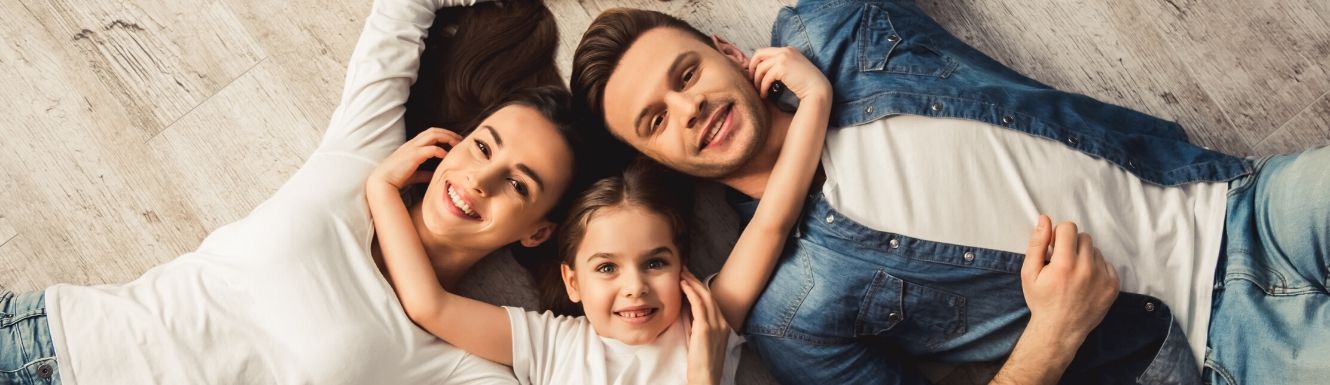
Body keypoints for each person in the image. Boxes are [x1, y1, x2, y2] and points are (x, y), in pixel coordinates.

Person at [569, 3, 1329, 385]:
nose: (689, 108)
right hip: (1215, 347)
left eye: (687, 74)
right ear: (655, 157)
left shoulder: (834, 28)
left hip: (1244, 200)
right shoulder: (791, 311)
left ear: (730, 52)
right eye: (656, 120)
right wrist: (1054, 333)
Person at [0, 0, 584, 384]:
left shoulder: (455, 358)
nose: (479, 178)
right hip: (44, 340)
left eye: (516, 183)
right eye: (484, 146)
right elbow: (399, 16)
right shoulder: (362, 157)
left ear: (537, 230)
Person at [366, 36, 835, 384]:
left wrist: (815, 100)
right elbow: (429, 305)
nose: (634, 288)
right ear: (573, 280)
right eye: (606, 267)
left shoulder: (705, 319)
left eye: (655, 262)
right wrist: (383, 188)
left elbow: (773, 219)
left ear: (682, 267)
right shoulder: (551, 344)